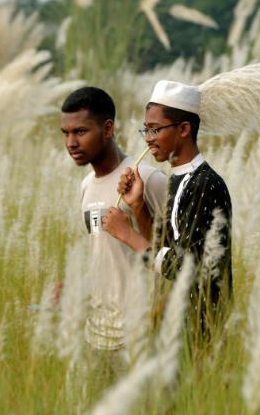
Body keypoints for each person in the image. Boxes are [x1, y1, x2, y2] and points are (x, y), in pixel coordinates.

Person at [103, 80, 233, 344]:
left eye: (156, 130)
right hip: (176, 330)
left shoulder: (204, 184)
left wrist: (127, 234)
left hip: (201, 334)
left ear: (184, 129)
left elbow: (184, 267)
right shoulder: (177, 180)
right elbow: (163, 251)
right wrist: (138, 206)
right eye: (146, 130)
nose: (148, 139)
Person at [60, 86, 168, 367]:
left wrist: (137, 209)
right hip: (95, 336)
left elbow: (169, 258)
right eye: (66, 133)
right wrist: (75, 287)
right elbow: (105, 255)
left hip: (139, 338)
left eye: (80, 132)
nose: (71, 142)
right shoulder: (86, 187)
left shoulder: (148, 177)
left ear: (107, 129)